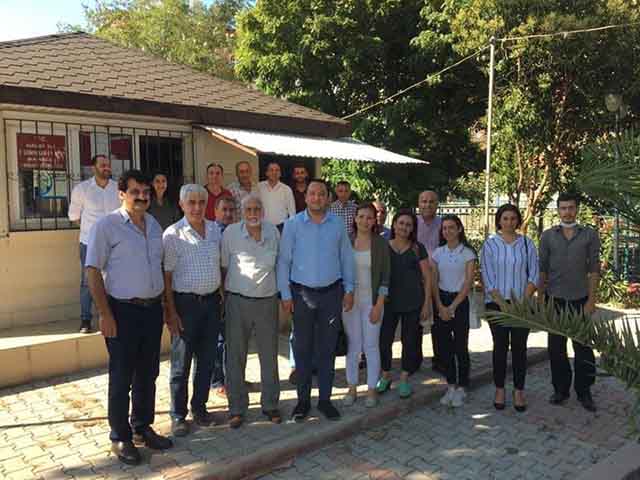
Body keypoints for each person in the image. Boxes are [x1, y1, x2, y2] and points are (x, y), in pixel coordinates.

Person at [85, 170, 172, 465]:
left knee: (148, 373)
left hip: (151, 311)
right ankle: (120, 436)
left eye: (146, 192)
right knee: (122, 376)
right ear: (121, 194)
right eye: (135, 191)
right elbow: (92, 271)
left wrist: (166, 307)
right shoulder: (106, 226)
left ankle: (142, 427)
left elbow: (160, 267)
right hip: (122, 312)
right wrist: (104, 313)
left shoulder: (154, 225)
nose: (141, 197)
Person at [277, 178, 355, 422]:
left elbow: (346, 258)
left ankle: (325, 400)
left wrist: (349, 289)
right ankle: (303, 402)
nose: (317, 198)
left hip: (331, 294)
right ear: (306, 197)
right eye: (312, 193)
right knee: (302, 349)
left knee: (327, 349)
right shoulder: (292, 225)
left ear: (327, 197)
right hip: (301, 295)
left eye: (321, 194)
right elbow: (284, 261)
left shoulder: (337, 224)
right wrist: (285, 294)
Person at [163, 184, 223, 437]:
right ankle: (178, 416)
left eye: (201, 202)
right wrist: (171, 312)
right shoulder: (172, 234)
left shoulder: (215, 230)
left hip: (211, 304)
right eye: (191, 203)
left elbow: (220, 265)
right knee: (181, 364)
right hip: (185, 306)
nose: (197, 207)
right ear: (182, 205)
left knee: (207, 361)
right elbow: (166, 276)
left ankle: (199, 408)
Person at [223, 195, 281, 428]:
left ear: (263, 211)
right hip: (237, 302)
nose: (253, 213)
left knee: (269, 355)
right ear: (242, 212)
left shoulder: (273, 232)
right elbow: (223, 266)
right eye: (248, 209)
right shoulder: (230, 233)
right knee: (235, 357)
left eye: (257, 209)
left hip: (267, 301)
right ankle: (236, 408)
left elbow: (280, 264)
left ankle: (270, 405)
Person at [539, 192, 600, 412]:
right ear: (558, 210)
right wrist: (541, 299)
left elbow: (594, 269)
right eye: (563, 208)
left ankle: (584, 391)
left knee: (583, 348)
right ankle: (561, 390)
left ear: (577, 209)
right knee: (556, 348)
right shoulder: (548, 236)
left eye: (571, 207)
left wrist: (591, 300)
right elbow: (542, 269)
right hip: (554, 300)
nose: (567, 212)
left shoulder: (589, 235)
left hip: (580, 300)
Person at [480, 204, 539, 412]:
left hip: (522, 305)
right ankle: (499, 389)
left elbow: (534, 274)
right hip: (496, 305)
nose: (509, 222)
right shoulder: (490, 245)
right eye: (505, 218)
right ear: (499, 220)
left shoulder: (527, 244)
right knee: (500, 348)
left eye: (513, 218)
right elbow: (487, 277)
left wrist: (521, 301)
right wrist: (504, 305)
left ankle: (519, 390)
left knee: (520, 349)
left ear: (518, 220)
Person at [376, 209, 432, 399]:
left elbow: (427, 277)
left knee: (409, 342)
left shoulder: (418, 248)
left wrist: (426, 304)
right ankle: (385, 375)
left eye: (408, 225)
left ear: (413, 228)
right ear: (394, 224)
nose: (404, 227)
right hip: (389, 302)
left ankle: (404, 379)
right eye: (401, 223)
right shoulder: (383, 246)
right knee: (384, 341)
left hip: (413, 303)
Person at [342, 203, 390, 408]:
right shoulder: (346, 241)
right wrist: (345, 295)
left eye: (369, 217)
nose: (364, 221)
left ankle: (371, 389)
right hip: (350, 302)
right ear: (355, 218)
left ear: (374, 220)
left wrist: (379, 305)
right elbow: (339, 271)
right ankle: (352, 387)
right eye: (361, 216)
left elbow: (386, 278)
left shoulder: (380, 244)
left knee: (371, 346)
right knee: (353, 346)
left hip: (372, 302)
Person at [68, 154, 120, 333]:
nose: (106, 167)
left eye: (108, 165)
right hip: (89, 243)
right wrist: (92, 232)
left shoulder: (117, 189)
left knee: (113, 279)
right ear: (93, 168)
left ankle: (110, 316)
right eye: (102, 165)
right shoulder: (82, 189)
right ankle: (86, 320)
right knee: (87, 282)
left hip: (114, 243)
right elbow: (74, 217)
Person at [431, 214, 476, 408]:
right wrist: (440, 305)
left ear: (459, 229)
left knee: (460, 346)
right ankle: (450, 384)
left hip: (460, 302)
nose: (447, 231)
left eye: (451, 227)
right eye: (444, 228)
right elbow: (433, 281)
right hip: (441, 301)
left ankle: (462, 386)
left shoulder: (467, 253)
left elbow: (468, 283)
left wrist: (452, 307)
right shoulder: (437, 253)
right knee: (444, 347)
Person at [210, 195, 236, 397]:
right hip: (218, 294)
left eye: (231, 210)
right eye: (224, 210)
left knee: (233, 339)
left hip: (235, 292)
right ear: (216, 211)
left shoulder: (237, 232)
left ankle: (232, 377)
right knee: (219, 341)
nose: (228, 213)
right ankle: (217, 380)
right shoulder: (212, 233)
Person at [416, 190, 444, 373]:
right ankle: (414, 361)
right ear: (418, 203)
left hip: (439, 279)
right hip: (416, 280)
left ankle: (440, 360)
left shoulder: (443, 224)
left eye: (431, 201)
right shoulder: (413, 223)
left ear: (437, 204)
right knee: (415, 324)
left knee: (439, 324)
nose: (427, 205)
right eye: (424, 201)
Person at [258, 161, 296, 231]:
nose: (274, 172)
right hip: (263, 227)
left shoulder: (287, 189)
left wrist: (291, 229)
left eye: (277, 170)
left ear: (280, 173)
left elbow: (292, 212)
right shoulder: (259, 187)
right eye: (271, 170)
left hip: (281, 227)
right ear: (267, 173)